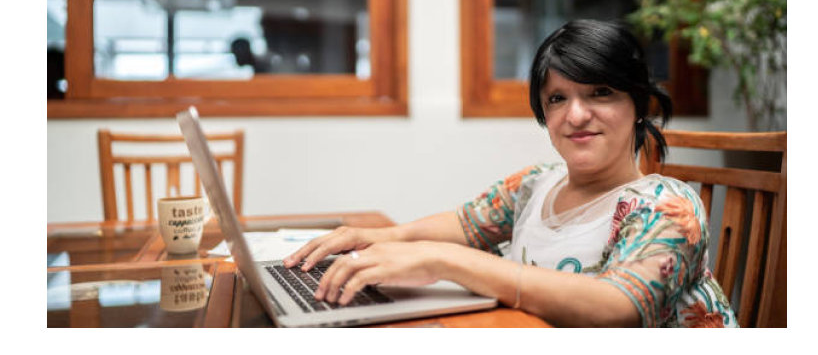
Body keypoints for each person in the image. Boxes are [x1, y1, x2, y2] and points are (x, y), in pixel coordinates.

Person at [283, 19, 737, 328]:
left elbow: (618, 307)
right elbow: (465, 223)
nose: (575, 115)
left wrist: (447, 261)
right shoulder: (537, 183)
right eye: (557, 98)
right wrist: (380, 238)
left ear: (639, 105)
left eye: (600, 92)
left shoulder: (666, 205)